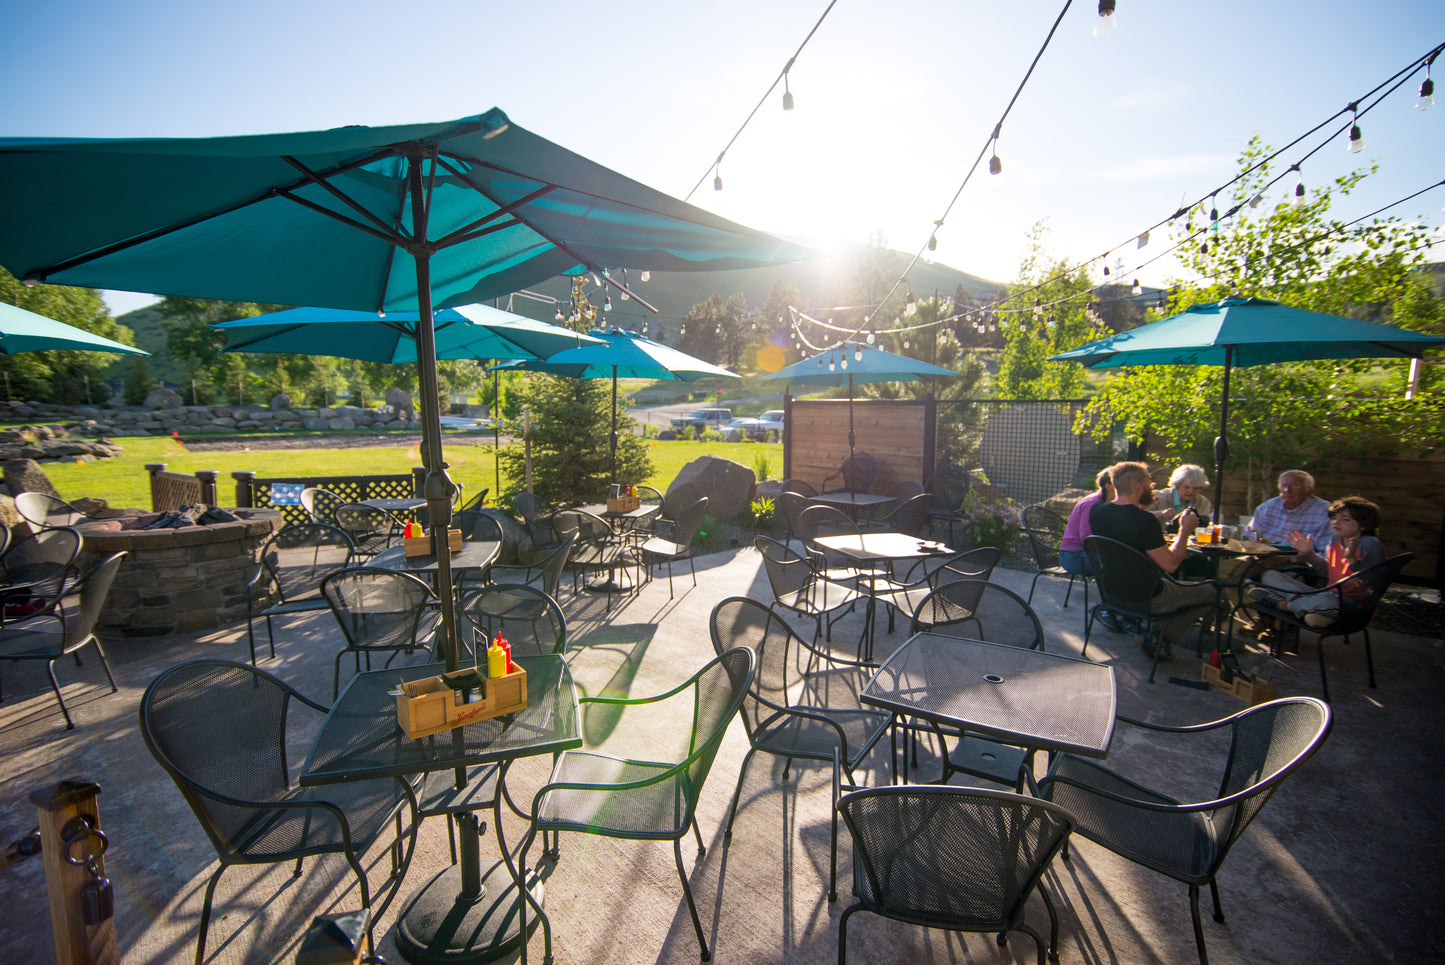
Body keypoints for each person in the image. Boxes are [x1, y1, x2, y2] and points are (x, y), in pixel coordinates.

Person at [1090, 461, 1220, 655]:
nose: (1153, 486)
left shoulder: (1097, 511)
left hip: (1111, 594)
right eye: (1149, 482)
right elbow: (1171, 565)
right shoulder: (1145, 521)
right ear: (1138, 487)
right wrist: (1184, 531)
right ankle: (1162, 638)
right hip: (1148, 598)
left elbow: (1127, 525)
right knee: (1212, 590)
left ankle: (1157, 634)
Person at [1247, 496, 1386, 629]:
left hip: (1352, 604)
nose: (1335, 523)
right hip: (1328, 595)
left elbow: (1374, 583)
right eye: (1334, 518)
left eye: (1345, 519)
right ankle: (1304, 606)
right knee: (1270, 575)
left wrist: (1352, 561)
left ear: (1363, 525)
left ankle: (1284, 605)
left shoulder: (1369, 544)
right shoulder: (1335, 540)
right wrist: (1308, 554)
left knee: (1316, 616)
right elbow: (1328, 571)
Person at [1250, 470, 1333, 548]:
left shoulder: (1324, 512)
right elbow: (1249, 538)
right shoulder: (1267, 507)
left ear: (1310, 491)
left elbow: (1325, 555)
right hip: (1262, 556)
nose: (1287, 490)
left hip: (1300, 561)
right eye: (1284, 485)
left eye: (1295, 485)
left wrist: (1289, 559)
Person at [1059, 468, 1113, 576]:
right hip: (1075, 556)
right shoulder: (1092, 503)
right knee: (1121, 564)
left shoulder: (1107, 502)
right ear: (1108, 486)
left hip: (1084, 553)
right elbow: (1087, 539)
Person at [1149, 464, 1213, 528]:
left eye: (1196, 488)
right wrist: (1161, 513)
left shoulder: (1204, 503)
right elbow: (1141, 517)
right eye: (1186, 487)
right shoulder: (1158, 497)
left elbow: (1203, 528)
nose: (1191, 491)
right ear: (1177, 486)